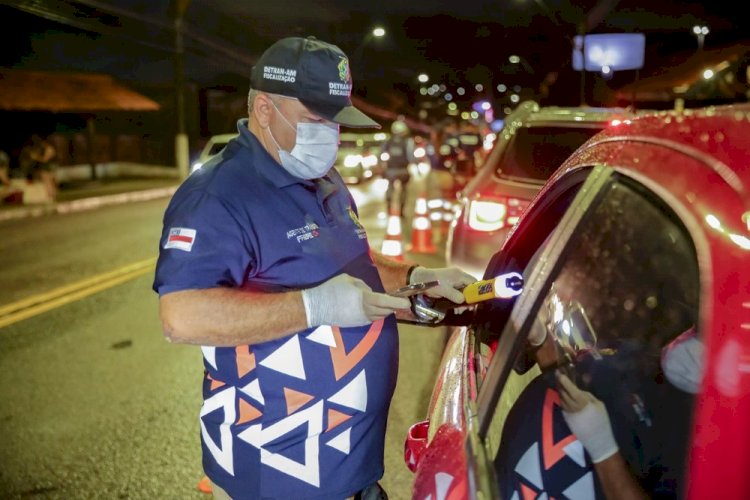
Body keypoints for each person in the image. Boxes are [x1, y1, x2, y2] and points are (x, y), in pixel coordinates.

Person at [152, 36, 475, 500]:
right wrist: (314, 306)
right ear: (265, 109)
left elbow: (355, 262)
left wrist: (417, 280)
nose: (330, 134)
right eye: (315, 119)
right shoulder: (220, 195)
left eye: (335, 121)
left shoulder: (319, 176)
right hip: (278, 473)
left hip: (346, 469)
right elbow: (182, 316)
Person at [381, 117, 415, 216]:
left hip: (390, 170)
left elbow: (382, 155)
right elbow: (411, 157)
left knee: (390, 188)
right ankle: (401, 211)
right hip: (403, 170)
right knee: (403, 190)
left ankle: (388, 208)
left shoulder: (388, 141)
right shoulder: (407, 142)